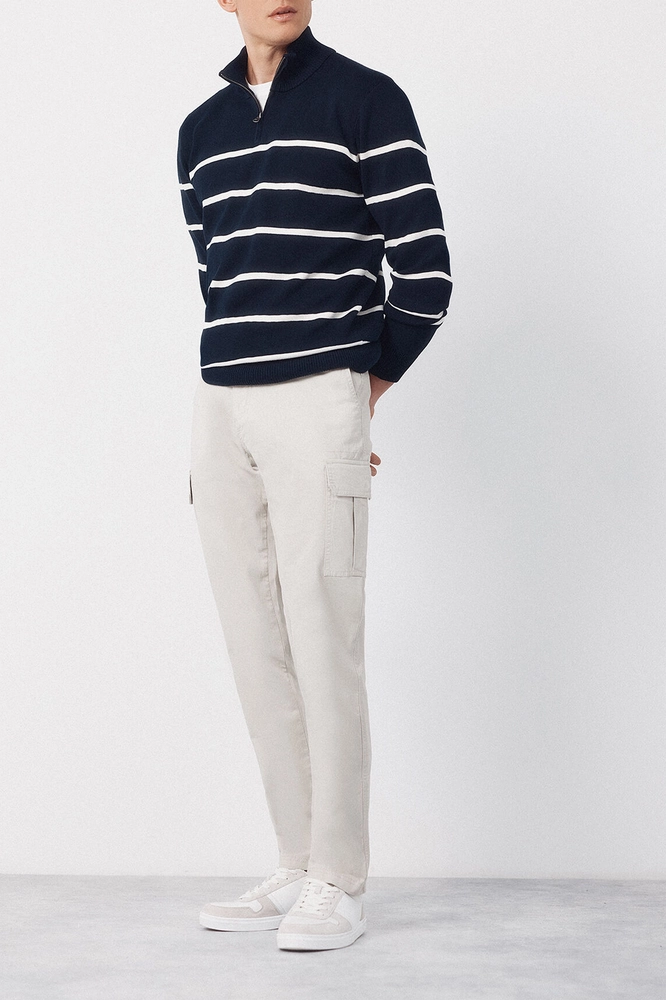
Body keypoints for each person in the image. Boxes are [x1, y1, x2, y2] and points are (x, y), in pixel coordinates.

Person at [177, 0, 452, 952]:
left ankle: (339, 876)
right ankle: (295, 861)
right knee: (254, 639)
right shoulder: (201, 131)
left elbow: (426, 272)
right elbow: (218, 276)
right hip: (222, 405)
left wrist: (356, 394)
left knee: (324, 635)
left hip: (321, 393)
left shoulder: (365, 99)